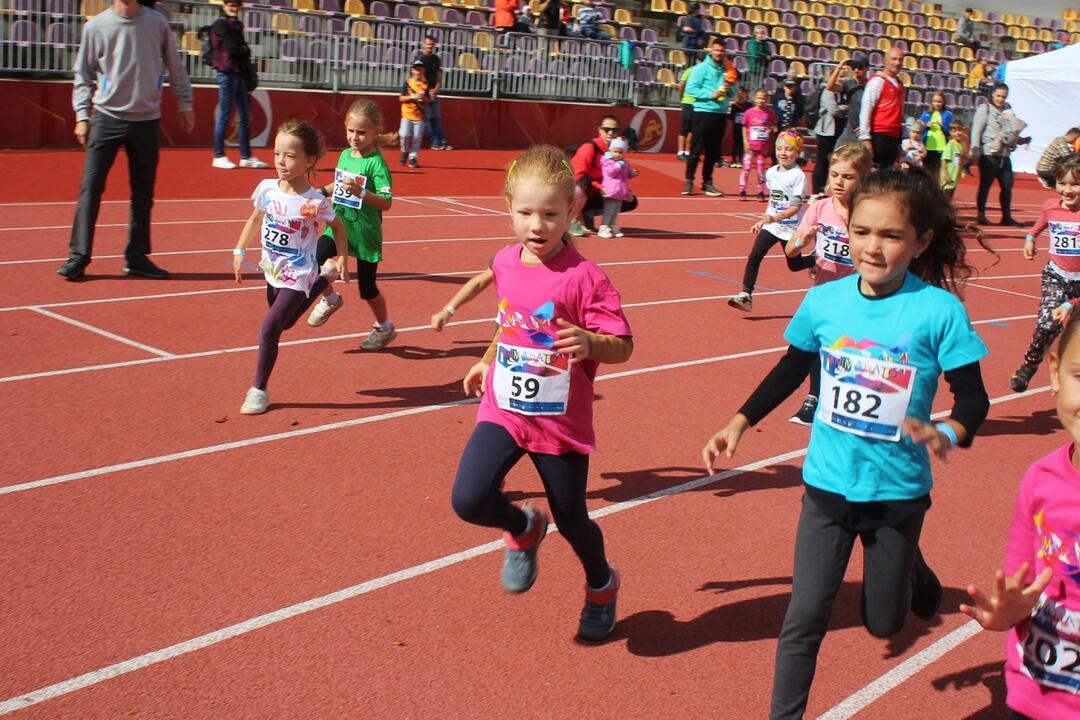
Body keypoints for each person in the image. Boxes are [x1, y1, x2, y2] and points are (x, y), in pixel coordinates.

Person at [704, 168, 991, 719]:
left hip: (898, 495)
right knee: (804, 616)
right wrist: (740, 420)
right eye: (861, 232)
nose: (872, 247)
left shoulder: (939, 312)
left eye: (889, 235)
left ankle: (914, 569)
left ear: (921, 241)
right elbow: (793, 366)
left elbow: (973, 396)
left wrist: (950, 430)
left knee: (883, 622)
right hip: (827, 487)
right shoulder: (825, 302)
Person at [451, 144, 634, 642]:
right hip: (505, 408)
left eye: (551, 214)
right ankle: (525, 527)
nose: (538, 225)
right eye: (525, 212)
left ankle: (601, 584)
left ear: (572, 211)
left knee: (574, 520)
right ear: (507, 206)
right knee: (468, 499)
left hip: (560, 420)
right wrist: (487, 360)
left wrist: (595, 341)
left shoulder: (586, 279)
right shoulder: (505, 262)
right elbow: (511, 320)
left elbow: (624, 347)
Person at [960, 317, 1075, 720]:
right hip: (1034, 697)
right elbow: (1019, 585)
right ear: (1056, 371)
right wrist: (1007, 613)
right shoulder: (1040, 480)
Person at [58, 0, 195, 282]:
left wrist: (185, 103)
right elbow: (83, 74)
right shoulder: (96, 26)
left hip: (146, 120)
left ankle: (137, 258)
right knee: (91, 188)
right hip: (106, 118)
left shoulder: (156, 23)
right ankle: (78, 256)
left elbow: (174, 65)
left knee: (143, 193)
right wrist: (82, 115)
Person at [231, 120, 348, 415]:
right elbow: (255, 218)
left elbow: (338, 226)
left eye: (290, 156)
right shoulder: (267, 189)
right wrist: (239, 250)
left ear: (309, 160)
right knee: (286, 323)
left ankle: (258, 390)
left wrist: (343, 255)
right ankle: (326, 282)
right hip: (272, 269)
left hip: (298, 273)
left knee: (269, 329)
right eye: (277, 154)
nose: (281, 162)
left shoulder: (313, 201)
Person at [782, 142, 874, 424]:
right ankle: (814, 397)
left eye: (847, 177)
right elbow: (790, 251)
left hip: (859, 296)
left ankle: (856, 401)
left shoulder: (868, 211)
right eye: (835, 175)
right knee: (814, 345)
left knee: (849, 349)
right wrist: (802, 239)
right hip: (823, 292)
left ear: (862, 179)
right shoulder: (820, 208)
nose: (839, 182)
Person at [306, 99, 399, 351]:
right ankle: (330, 298)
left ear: (375, 132)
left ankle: (384, 327)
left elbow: (386, 202)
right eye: (350, 131)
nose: (354, 137)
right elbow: (339, 185)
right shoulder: (346, 155)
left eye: (361, 132)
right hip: (338, 225)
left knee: (367, 289)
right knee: (312, 261)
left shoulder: (376, 164)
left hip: (364, 233)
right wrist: (318, 192)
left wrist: (361, 192)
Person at [1008, 155, 1080, 393]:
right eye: (1062, 183)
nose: (1067, 190)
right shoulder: (1051, 206)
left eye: (1074, 184)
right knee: (1047, 323)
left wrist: (1071, 304)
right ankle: (1029, 366)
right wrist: (1030, 238)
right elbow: (1042, 222)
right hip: (1056, 275)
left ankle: (1062, 369)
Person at [728, 131, 814, 312]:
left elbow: (796, 206)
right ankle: (746, 295)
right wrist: (765, 220)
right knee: (754, 256)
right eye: (779, 148)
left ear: (797, 152)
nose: (783, 153)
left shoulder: (798, 176)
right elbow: (773, 199)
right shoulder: (772, 172)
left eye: (789, 149)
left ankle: (815, 259)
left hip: (791, 229)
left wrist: (773, 217)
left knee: (794, 265)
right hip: (773, 226)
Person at [209, 0, 267, 170]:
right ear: (224, 5)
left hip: (239, 74)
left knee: (245, 115)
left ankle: (246, 156)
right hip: (226, 74)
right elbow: (235, 49)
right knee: (225, 115)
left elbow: (243, 50)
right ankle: (218, 155)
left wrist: (242, 49)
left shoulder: (237, 25)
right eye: (230, 3)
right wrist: (242, 49)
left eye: (236, 4)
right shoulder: (220, 24)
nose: (233, 6)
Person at [682, 38, 737, 197]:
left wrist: (729, 90)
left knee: (713, 152)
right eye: (717, 50)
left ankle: (707, 183)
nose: (719, 53)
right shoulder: (700, 69)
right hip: (702, 112)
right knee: (696, 149)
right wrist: (709, 95)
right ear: (711, 51)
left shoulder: (728, 70)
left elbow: (733, 93)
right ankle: (689, 180)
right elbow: (690, 89)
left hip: (720, 114)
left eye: (722, 51)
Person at [971, 82, 1025, 226]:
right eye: (998, 96)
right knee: (986, 184)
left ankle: (1006, 216)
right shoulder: (985, 108)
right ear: (992, 94)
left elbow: (1012, 130)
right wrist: (975, 149)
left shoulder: (1008, 109)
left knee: (1007, 184)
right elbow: (976, 130)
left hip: (1005, 154)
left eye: (1004, 96)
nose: (1001, 99)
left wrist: (1019, 140)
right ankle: (981, 215)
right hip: (989, 152)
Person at [570, 115, 637, 231]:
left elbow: (618, 176)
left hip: (596, 192)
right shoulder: (589, 148)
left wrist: (626, 191)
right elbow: (577, 177)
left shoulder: (615, 152)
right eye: (607, 129)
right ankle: (573, 219)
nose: (611, 133)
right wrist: (599, 186)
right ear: (600, 130)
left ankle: (588, 214)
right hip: (575, 191)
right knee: (580, 186)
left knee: (629, 201)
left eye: (615, 130)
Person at [859, 46, 907, 168]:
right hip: (878, 136)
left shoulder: (900, 84)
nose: (897, 63)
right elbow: (866, 110)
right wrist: (865, 139)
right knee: (873, 176)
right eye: (894, 59)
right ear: (885, 61)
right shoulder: (877, 82)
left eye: (900, 59)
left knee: (887, 177)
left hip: (894, 137)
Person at [412, 35, 452, 151]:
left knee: (437, 119)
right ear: (424, 44)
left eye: (432, 44)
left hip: (433, 93)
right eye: (428, 44)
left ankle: (442, 141)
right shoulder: (419, 59)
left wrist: (435, 90)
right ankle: (434, 141)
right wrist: (424, 91)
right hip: (423, 94)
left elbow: (438, 77)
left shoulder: (436, 59)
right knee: (427, 120)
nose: (430, 46)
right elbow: (416, 77)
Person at [738, 88, 778, 202]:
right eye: (759, 98)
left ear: (767, 100)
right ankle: (742, 189)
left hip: (763, 146)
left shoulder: (770, 113)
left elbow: (775, 126)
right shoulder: (749, 112)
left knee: (761, 169)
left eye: (764, 98)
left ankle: (760, 191)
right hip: (750, 146)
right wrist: (745, 141)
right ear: (755, 98)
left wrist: (771, 129)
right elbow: (744, 127)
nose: (761, 100)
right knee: (746, 168)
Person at [810, 72, 844, 195]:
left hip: (836, 131)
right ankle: (815, 192)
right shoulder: (828, 91)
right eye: (840, 76)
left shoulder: (841, 91)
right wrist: (845, 109)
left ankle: (824, 190)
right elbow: (834, 110)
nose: (841, 79)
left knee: (831, 162)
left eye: (844, 76)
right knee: (821, 162)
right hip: (825, 131)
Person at [598, 137, 635, 238]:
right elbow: (611, 172)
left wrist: (632, 173)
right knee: (609, 210)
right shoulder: (607, 161)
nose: (618, 154)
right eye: (615, 151)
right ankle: (604, 227)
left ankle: (612, 226)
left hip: (620, 191)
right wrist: (619, 165)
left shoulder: (624, 163)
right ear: (610, 151)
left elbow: (626, 175)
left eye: (620, 152)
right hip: (611, 191)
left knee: (615, 211)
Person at [831, 54, 869, 148]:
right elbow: (830, 87)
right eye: (854, 67)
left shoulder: (871, 86)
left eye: (859, 67)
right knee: (837, 152)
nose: (856, 70)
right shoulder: (849, 84)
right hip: (850, 130)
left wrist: (865, 128)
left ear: (867, 68)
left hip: (865, 132)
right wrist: (839, 67)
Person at [399, 60, 429, 169]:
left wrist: (423, 98)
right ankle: (405, 151)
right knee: (404, 135)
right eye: (416, 69)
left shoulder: (425, 85)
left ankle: (413, 157)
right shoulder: (407, 83)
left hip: (419, 115)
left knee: (416, 138)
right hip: (407, 114)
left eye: (420, 69)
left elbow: (427, 101)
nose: (418, 72)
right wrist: (412, 97)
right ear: (412, 70)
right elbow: (401, 98)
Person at [918, 91, 953, 182]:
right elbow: (918, 127)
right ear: (931, 102)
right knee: (926, 173)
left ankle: (936, 194)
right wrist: (926, 125)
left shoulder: (947, 114)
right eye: (935, 101)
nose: (937, 104)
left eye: (939, 101)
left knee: (937, 174)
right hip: (927, 147)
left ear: (943, 102)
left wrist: (943, 126)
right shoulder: (926, 113)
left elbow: (951, 131)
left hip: (941, 148)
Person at [675, 58, 704, 161]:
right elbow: (681, 85)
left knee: (693, 129)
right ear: (697, 61)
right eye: (700, 60)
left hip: (698, 104)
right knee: (685, 128)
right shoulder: (690, 71)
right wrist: (682, 98)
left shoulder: (703, 72)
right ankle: (681, 151)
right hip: (688, 102)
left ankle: (687, 152)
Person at [940, 122, 966, 202]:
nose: (957, 133)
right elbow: (944, 161)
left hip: (955, 176)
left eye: (960, 130)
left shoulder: (962, 144)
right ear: (951, 133)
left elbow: (960, 159)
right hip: (949, 175)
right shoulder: (950, 145)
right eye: (954, 131)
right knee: (945, 198)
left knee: (950, 196)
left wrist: (961, 170)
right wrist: (946, 175)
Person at [729, 86, 751, 168]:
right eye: (740, 94)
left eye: (744, 94)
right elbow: (731, 117)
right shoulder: (734, 106)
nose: (741, 97)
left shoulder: (749, 106)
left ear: (746, 95)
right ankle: (734, 161)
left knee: (743, 144)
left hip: (745, 129)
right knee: (735, 143)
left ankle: (741, 160)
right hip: (736, 128)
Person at [746, 25, 773, 91]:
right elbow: (754, 52)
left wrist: (767, 55)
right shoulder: (752, 43)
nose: (761, 35)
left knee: (760, 86)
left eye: (763, 34)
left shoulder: (765, 43)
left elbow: (769, 52)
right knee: (755, 86)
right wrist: (765, 56)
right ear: (755, 34)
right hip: (754, 69)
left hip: (763, 69)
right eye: (759, 34)